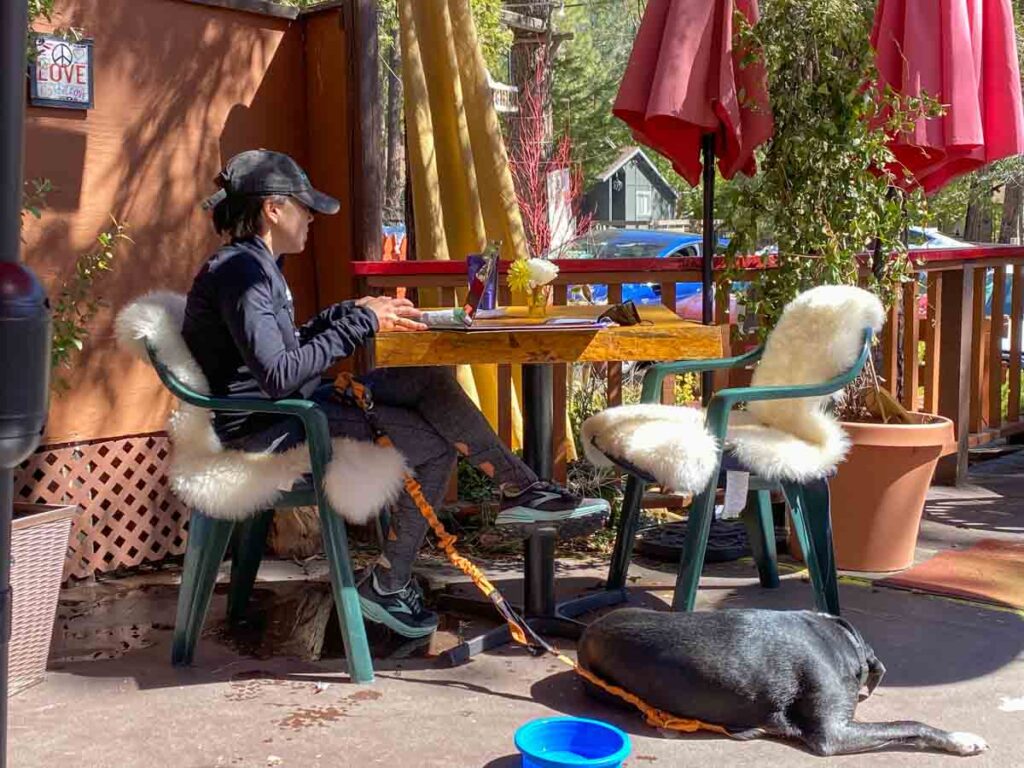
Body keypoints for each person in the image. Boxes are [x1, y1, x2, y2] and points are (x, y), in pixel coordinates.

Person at [182, 150, 609, 638]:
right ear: (273, 209)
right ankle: (391, 580)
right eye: (306, 208)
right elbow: (278, 374)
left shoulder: (253, 266)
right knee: (432, 443)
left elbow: (283, 346)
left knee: (426, 380)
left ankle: (520, 490)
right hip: (271, 428)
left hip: (294, 408)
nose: (312, 219)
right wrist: (362, 323)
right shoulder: (244, 274)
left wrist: (349, 311)